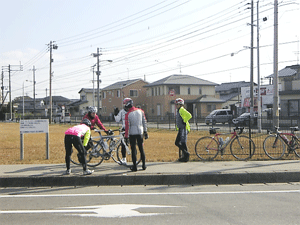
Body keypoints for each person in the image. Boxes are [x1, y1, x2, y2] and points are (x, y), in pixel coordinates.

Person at [124, 98, 148, 172]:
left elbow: (127, 126)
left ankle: (135, 166)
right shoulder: (141, 111)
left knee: (133, 150)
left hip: (132, 133)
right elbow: (144, 121)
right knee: (141, 149)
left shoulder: (128, 114)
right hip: (140, 132)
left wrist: (126, 136)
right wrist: (145, 131)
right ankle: (144, 165)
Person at [113, 98, 131, 165]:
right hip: (124, 129)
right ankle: (124, 158)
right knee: (123, 144)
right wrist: (115, 114)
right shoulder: (122, 111)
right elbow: (117, 120)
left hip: (132, 129)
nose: (124, 105)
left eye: (125, 104)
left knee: (132, 144)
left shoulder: (132, 111)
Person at [175, 98, 192, 162]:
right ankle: (185, 156)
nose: (176, 105)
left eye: (177, 104)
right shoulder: (179, 110)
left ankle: (186, 155)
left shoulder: (181, 109)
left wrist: (184, 121)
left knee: (180, 142)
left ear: (180, 104)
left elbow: (189, 115)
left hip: (183, 128)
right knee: (181, 142)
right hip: (181, 128)